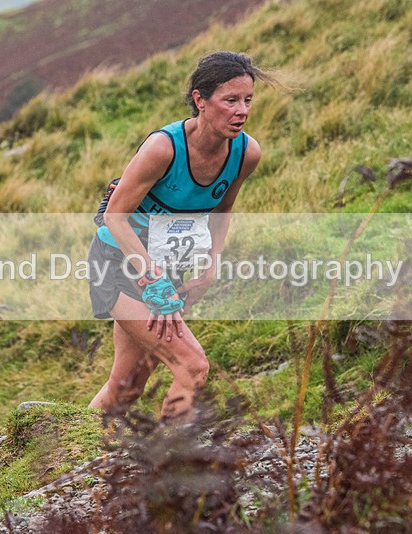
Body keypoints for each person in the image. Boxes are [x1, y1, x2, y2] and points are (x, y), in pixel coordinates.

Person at [88, 51, 270, 420]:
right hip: (118, 264)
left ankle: (69, 450)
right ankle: (167, 464)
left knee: (128, 387)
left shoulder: (246, 153)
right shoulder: (163, 149)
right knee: (192, 367)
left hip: (168, 271)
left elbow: (222, 210)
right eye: (230, 100)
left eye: (248, 100)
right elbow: (114, 216)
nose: (242, 111)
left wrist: (209, 269)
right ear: (200, 100)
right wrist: (151, 278)